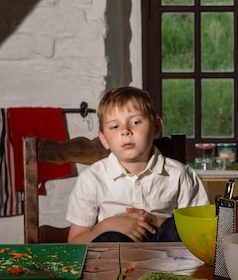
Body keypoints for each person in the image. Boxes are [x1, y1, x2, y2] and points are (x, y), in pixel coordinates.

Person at [66, 86, 210, 243]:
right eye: (115, 126)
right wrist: (107, 225)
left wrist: (155, 222)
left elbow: (202, 232)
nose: (125, 131)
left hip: (168, 259)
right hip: (115, 262)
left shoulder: (180, 174)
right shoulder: (91, 179)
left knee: (178, 225)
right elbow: (75, 241)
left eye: (135, 122)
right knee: (111, 237)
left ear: (156, 128)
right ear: (104, 139)